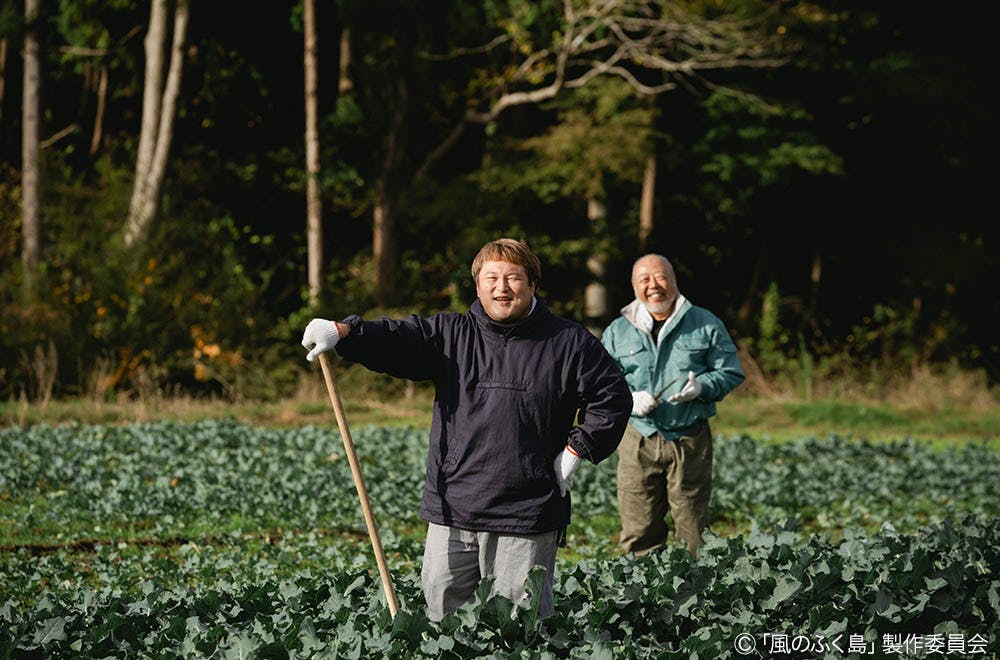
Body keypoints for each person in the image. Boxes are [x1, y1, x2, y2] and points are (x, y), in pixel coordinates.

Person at [301, 238, 631, 620]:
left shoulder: (568, 342)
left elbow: (612, 396)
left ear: (532, 284)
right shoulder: (451, 335)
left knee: (518, 625)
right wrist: (345, 332)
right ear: (477, 286)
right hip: (454, 505)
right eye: (491, 278)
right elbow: (397, 339)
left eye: (513, 278)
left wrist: (576, 451)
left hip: (527, 510)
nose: (502, 287)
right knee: (443, 616)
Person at [600, 254, 745, 557]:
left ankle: (694, 583)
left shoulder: (705, 323)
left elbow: (730, 371)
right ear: (634, 287)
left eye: (661, 277)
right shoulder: (617, 331)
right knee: (638, 525)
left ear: (674, 280)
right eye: (644, 279)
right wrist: (628, 399)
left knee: (693, 528)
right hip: (637, 436)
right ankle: (643, 582)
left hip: (689, 436)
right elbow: (601, 381)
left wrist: (702, 387)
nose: (654, 285)